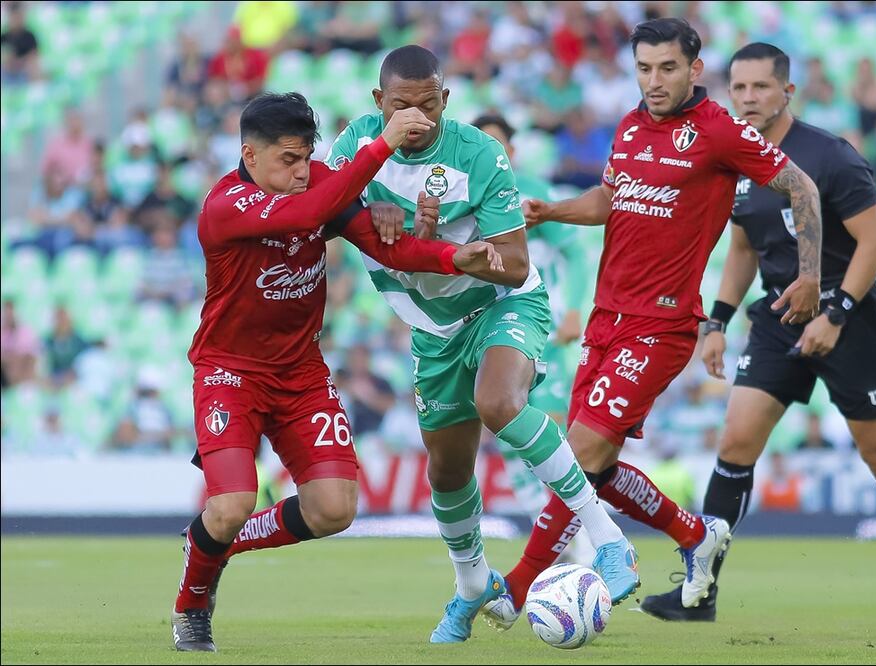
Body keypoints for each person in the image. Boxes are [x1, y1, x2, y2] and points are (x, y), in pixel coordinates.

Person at [487, 20, 824, 628]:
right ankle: (695, 534)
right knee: (594, 467)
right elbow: (610, 199)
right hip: (605, 319)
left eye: (667, 68)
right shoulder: (631, 124)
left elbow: (801, 186)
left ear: (695, 69)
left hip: (662, 326)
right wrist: (550, 211)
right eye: (644, 69)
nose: (654, 81)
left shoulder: (719, 131)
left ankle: (515, 586)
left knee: (578, 452)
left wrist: (810, 276)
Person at [326, 46, 640, 644]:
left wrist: (442, 242)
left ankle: (609, 540)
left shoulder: (478, 153)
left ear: (445, 100)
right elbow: (331, 209)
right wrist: (377, 218)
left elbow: (517, 261)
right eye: (401, 107)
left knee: (499, 402)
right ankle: (472, 586)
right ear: (378, 104)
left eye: (428, 105)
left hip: (501, 303)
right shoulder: (358, 148)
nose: (415, 119)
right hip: (433, 329)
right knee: (446, 471)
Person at [170, 91, 503, 652]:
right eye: (288, 161)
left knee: (335, 509)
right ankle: (192, 605)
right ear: (250, 156)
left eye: (307, 158)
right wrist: (381, 146)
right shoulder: (225, 205)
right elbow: (307, 213)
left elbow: (388, 249)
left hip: (301, 374)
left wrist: (452, 258)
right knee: (228, 506)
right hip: (231, 373)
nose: (303, 173)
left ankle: (216, 544)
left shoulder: (317, 183)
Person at [641, 43, 876, 627]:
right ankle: (700, 594)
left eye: (761, 88)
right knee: (734, 443)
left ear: (787, 91)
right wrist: (717, 320)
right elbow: (743, 246)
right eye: (739, 88)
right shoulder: (734, 159)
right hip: (776, 317)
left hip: (848, 317)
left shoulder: (830, 156)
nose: (748, 99)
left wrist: (834, 313)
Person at [472, 112, 596, 564]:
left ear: (513, 152)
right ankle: (565, 546)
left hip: (541, 328)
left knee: (557, 434)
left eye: (499, 147)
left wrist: (574, 310)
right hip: (489, 332)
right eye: (483, 145)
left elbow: (576, 254)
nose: (493, 154)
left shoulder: (532, 196)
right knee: (510, 435)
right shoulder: (462, 199)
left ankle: (577, 538)